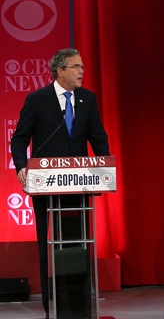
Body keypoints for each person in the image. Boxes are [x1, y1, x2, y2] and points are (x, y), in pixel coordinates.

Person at [11, 48, 110, 318]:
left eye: (82, 67)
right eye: (76, 67)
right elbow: (19, 139)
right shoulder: (37, 100)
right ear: (60, 71)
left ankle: (77, 306)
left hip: (77, 188)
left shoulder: (87, 99)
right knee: (48, 247)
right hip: (45, 188)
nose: (82, 71)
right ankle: (51, 307)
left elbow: (98, 137)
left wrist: (104, 166)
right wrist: (22, 167)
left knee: (77, 247)